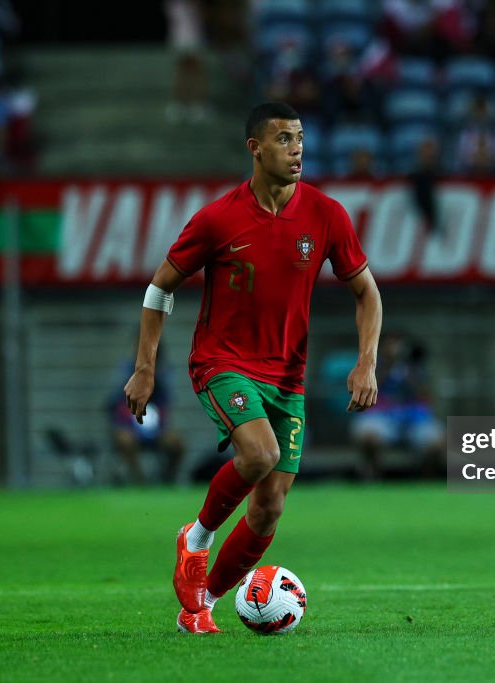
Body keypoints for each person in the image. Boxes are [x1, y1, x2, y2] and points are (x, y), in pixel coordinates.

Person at [123, 102, 382, 633]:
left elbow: (367, 294)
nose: (297, 149)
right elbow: (158, 289)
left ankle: (202, 607)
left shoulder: (326, 215)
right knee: (260, 454)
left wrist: (366, 362)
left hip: (287, 377)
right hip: (223, 363)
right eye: (284, 139)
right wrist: (145, 367)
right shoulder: (218, 218)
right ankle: (195, 538)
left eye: (301, 138)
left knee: (269, 509)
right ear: (255, 149)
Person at [351, 334, 444, 480]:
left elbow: (425, 394)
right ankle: (372, 476)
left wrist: (408, 372)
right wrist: (389, 366)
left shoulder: (415, 367)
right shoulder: (370, 366)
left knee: (435, 443)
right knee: (368, 438)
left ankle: (425, 480)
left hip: (414, 416)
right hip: (381, 414)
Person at [107, 345, 184, 484]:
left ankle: (167, 479)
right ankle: (138, 479)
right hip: (131, 426)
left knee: (177, 443)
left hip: (155, 428)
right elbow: (115, 404)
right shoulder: (126, 373)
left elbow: (165, 404)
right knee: (124, 439)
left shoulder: (162, 377)